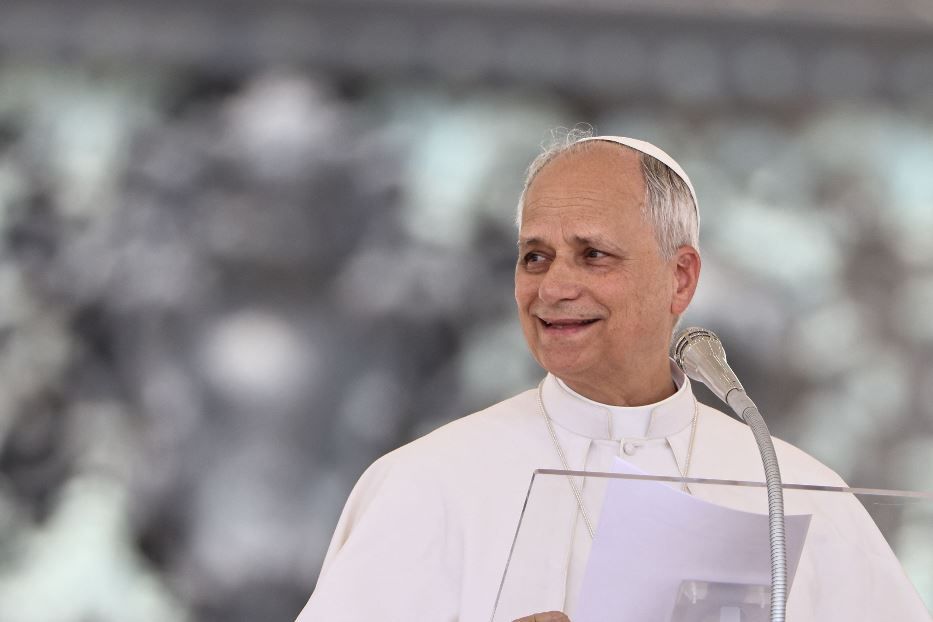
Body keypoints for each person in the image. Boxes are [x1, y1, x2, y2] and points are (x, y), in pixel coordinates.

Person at [296, 132, 930, 621]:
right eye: (535, 257)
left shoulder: (790, 489)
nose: (554, 287)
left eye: (593, 255)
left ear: (680, 277)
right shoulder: (428, 482)